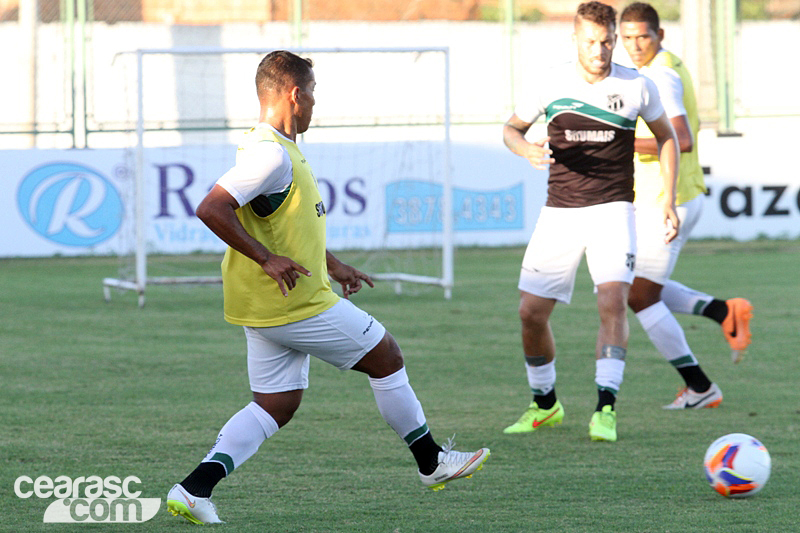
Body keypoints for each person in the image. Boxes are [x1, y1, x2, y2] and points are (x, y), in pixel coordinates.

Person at [165, 50, 489, 525]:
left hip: (264, 305)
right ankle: (432, 462)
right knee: (387, 356)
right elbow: (211, 208)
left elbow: (282, 227)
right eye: (313, 93)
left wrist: (332, 264)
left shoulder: (275, 148)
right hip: (294, 303)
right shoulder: (271, 153)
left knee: (276, 405)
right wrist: (266, 259)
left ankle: (193, 489)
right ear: (295, 95)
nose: (316, 103)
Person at [501, 1, 679, 442]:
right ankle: (545, 405)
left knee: (612, 300)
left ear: (614, 40)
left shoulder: (637, 84)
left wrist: (670, 200)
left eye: (605, 42)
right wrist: (526, 150)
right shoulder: (550, 82)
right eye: (590, 42)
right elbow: (511, 129)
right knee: (530, 313)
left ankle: (605, 408)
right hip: (559, 212)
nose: (599, 51)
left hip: (613, 210)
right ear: (575, 40)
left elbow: (668, 139)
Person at [619, 2, 752, 411]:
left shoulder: (661, 74)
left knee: (639, 296)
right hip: (664, 197)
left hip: (667, 201)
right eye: (627, 37)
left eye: (643, 35)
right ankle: (723, 311)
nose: (635, 44)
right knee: (628, 285)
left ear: (660, 36)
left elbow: (682, 138)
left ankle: (700, 386)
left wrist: (615, 142)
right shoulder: (662, 66)